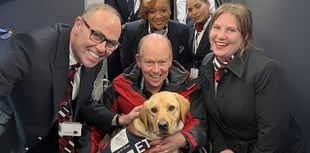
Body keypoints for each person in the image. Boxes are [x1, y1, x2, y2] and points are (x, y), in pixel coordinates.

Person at [0, 3, 140, 153]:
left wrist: (119, 119)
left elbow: (83, 102)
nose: (101, 48)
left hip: (51, 140)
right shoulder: (31, 48)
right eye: (97, 35)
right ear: (78, 24)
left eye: (111, 43)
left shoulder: (93, 58)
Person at [198, 3, 306, 153]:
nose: (220, 35)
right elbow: (212, 116)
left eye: (231, 30)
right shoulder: (208, 63)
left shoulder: (266, 70)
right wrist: (221, 148)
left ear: (246, 36)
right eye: (216, 27)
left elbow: (272, 137)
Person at [90, 33, 208, 153]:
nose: (156, 70)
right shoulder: (120, 87)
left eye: (162, 62)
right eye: (149, 62)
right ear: (138, 60)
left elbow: (200, 124)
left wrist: (184, 139)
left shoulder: (188, 87)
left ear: (170, 60)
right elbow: (95, 126)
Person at [120, 0, 192, 71]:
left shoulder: (182, 31)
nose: (158, 16)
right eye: (152, 11)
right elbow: (127, 67)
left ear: (170, 10)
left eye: (163, 10)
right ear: (146, 13)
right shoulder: (131, 31)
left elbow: (184, 67)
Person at [186, 0, 212, 79]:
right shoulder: (189, 27)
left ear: (208, 4)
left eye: (198, 7)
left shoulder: (217, 28)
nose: (194, 12)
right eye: (190, 10)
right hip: (192, 80)